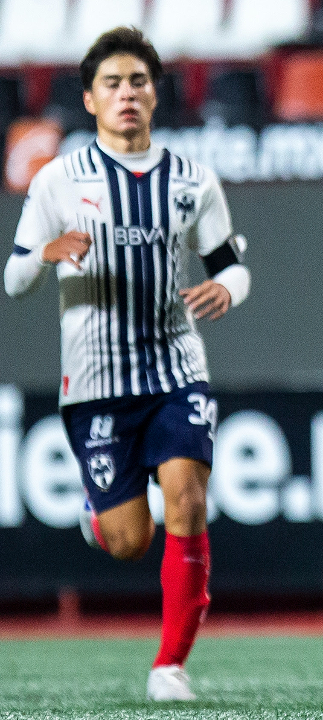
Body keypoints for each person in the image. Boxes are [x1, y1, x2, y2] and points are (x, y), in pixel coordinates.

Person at [3, 27, 250, 701]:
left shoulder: (192, 178)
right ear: (89, 99)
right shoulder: (57, 178)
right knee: (127, 541)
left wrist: (229, 286)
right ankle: (99, 509)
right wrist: (48, 253)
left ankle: (169, 665)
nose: (126, 94)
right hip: (95, 384)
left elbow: (232, 265)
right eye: (111, 83)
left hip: (176, 368)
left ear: (154, 92)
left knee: (189, 500)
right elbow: (14, 277)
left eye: (137, 81)